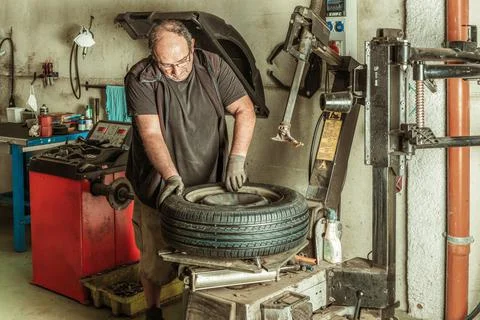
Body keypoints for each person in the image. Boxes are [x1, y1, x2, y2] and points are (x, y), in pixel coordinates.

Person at [124, 20, 256, 319]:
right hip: (161, 184)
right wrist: (170, 175)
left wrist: (237, 158)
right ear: (152, 57)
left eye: (181, 62)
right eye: (165, 65)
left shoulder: (212, 66)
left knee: (210, 258)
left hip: (211, 183)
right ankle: (153, 311)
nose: (175, 71)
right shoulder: (140, 78)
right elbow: (151, 134)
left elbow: (244, 109)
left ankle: (203, 310)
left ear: (192, 48)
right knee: (155, 262)